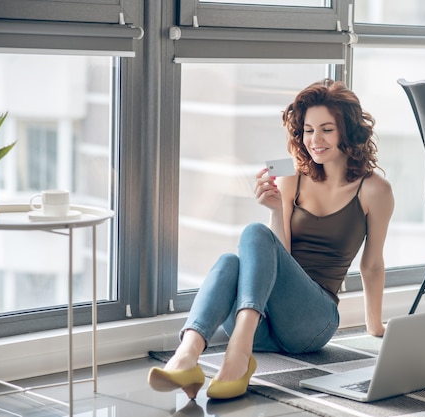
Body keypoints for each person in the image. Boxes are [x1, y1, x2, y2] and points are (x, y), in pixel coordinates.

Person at [147, 78, 394, 401]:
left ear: (348, 132)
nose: (314, 140)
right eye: (307, 130)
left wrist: (374, 327)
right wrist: (277, 210)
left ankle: (238, 351)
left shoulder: (374, 189)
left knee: (252, 234)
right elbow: (278, 256)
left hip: (311, 324)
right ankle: (187, 355)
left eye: (326, 129)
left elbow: (372, 264)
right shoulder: (292, 177)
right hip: (262, 326)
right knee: (229, 261)